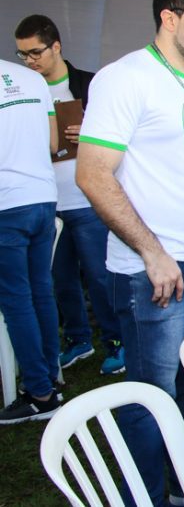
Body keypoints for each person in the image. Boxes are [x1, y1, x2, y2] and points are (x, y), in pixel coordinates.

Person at [76, 0, 184, 506]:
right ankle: (141, 498)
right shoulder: (124, 79)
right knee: (149, 398)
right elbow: (93, 174)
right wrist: (152, 252)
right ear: (169, 16)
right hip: (158, 274)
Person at [14, 14, 124, 376]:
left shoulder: (90, 85)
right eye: (23, 55)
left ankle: (116, 342)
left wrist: (90, 129)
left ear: (56, 46)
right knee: (59, 280)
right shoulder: (24, 89)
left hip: (88, 198)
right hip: (48, 202)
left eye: (35, 53)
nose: (30, 62)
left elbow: (122, 134)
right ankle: (78, 340)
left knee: (100, 275)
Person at [0, 59, 60, 424]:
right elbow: (54, 143)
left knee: (16, 299)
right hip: (43, 196)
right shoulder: (32, 78)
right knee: (41, 291)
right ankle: (49, 378)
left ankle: (39, 393)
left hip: (7, 202)